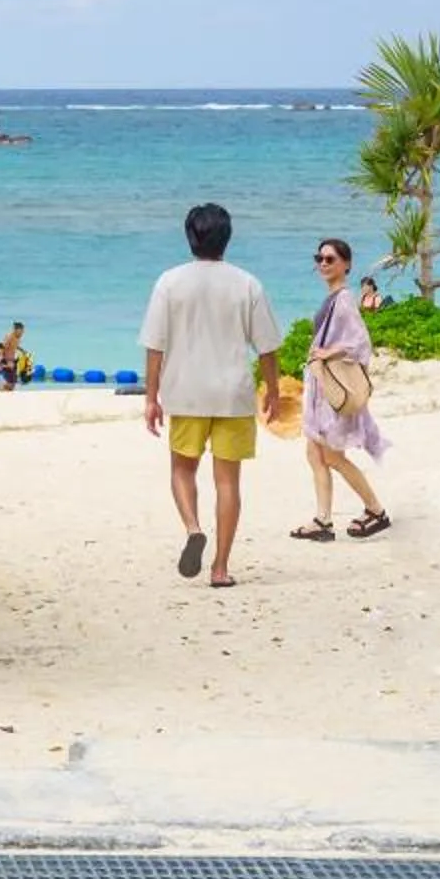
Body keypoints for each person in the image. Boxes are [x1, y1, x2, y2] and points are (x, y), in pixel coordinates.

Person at [140, 202, 281, 590]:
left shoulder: (169, 282)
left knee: (182, 469)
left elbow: (155, 346)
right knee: (228, 482)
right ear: (226, 237)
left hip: (185, 392)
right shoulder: (247, 283)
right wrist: (274, 390)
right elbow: (267, 347)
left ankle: (192, 527)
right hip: (233, 394)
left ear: (190, 237)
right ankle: (220, 568)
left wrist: (151, 397)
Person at [290, 237, 390, 542]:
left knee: (332, 456)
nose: (323, 263)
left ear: (346, 264)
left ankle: (376, 510)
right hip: (322, 389)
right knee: (315, 454)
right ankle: (323, 521)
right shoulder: (334, 297)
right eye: (319, 258)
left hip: (332, 391)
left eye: (330, 259)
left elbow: (361, 344)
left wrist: (328, 352)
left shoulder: (344, 299)